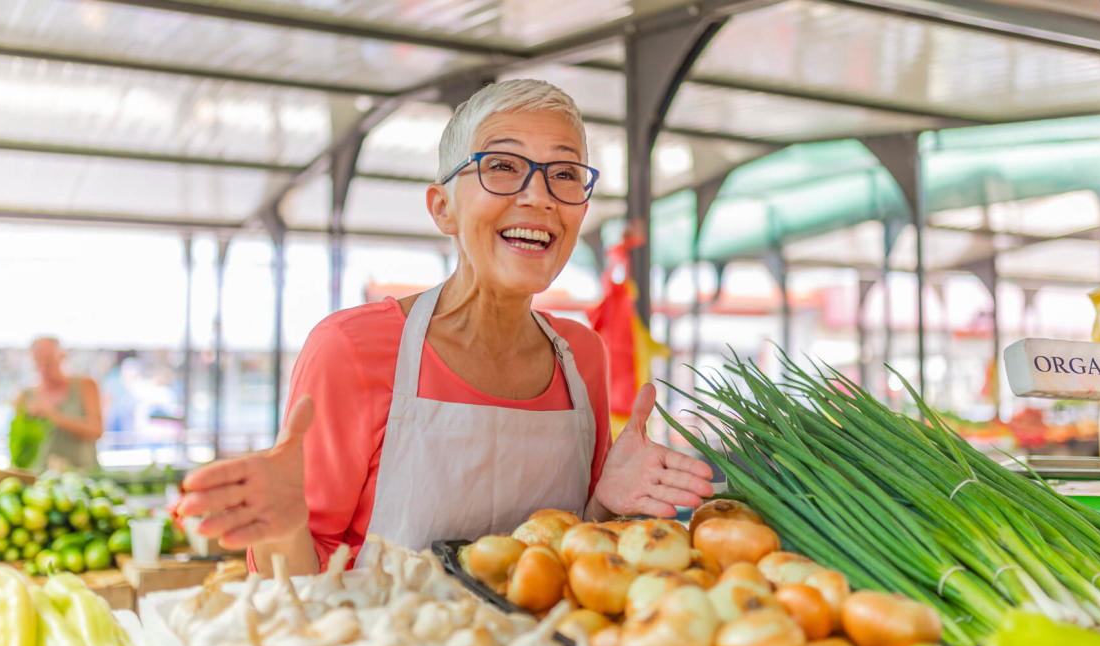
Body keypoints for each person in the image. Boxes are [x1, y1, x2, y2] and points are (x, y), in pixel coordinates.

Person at [177, 80, 714, 575]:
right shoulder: (351, 350)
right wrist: (287, 525)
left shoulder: (582, 356)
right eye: (501, 166)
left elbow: (573, 556)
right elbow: (294, 590)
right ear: (443, 208)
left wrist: (607, 504)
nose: (539, 195)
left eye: (565, 173)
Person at [16, 337, 103, 471]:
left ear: (62, 356)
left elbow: (96, 430)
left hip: (84, 475)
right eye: (39, 361)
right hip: (42, 479)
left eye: (49, 361)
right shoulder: (25, 396)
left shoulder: (86, 386)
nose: (44, 368)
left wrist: (53, 415)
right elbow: (19, 446)